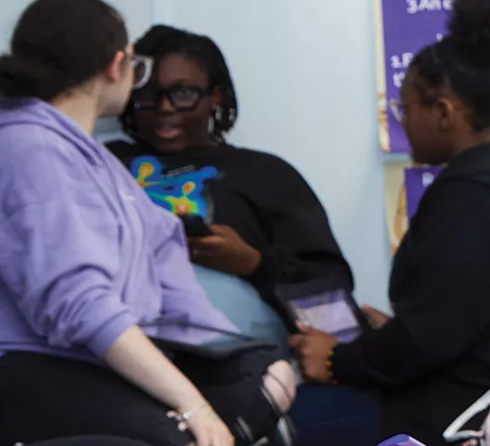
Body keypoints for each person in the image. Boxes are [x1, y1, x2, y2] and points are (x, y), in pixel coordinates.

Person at [0, 0, 296, 446]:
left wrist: (210, 368)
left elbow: (174, 294)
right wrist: (193, 408)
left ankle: (197, 437)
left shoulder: (101, 163)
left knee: (269, 374)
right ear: (117, 66)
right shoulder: (30, 148)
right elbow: (79, 307)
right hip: (32, 368)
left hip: (95, 363)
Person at [285, 0, 490, 446]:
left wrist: (337, 358)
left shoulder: (467, 203)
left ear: (444, 111)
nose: (403, 120)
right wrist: (395, 328)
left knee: (295, 428)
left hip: (462, 424)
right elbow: (475, 316)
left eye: (406, 106)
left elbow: (431, 339)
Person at [106, 25, 354, 324]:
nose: (165, 108)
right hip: (112, 347)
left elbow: (332, 297)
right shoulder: (102, 163)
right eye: (147, 94)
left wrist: (255, 263)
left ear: (215, 97)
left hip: (239, 355)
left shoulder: (266, 175)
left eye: (184, 94)